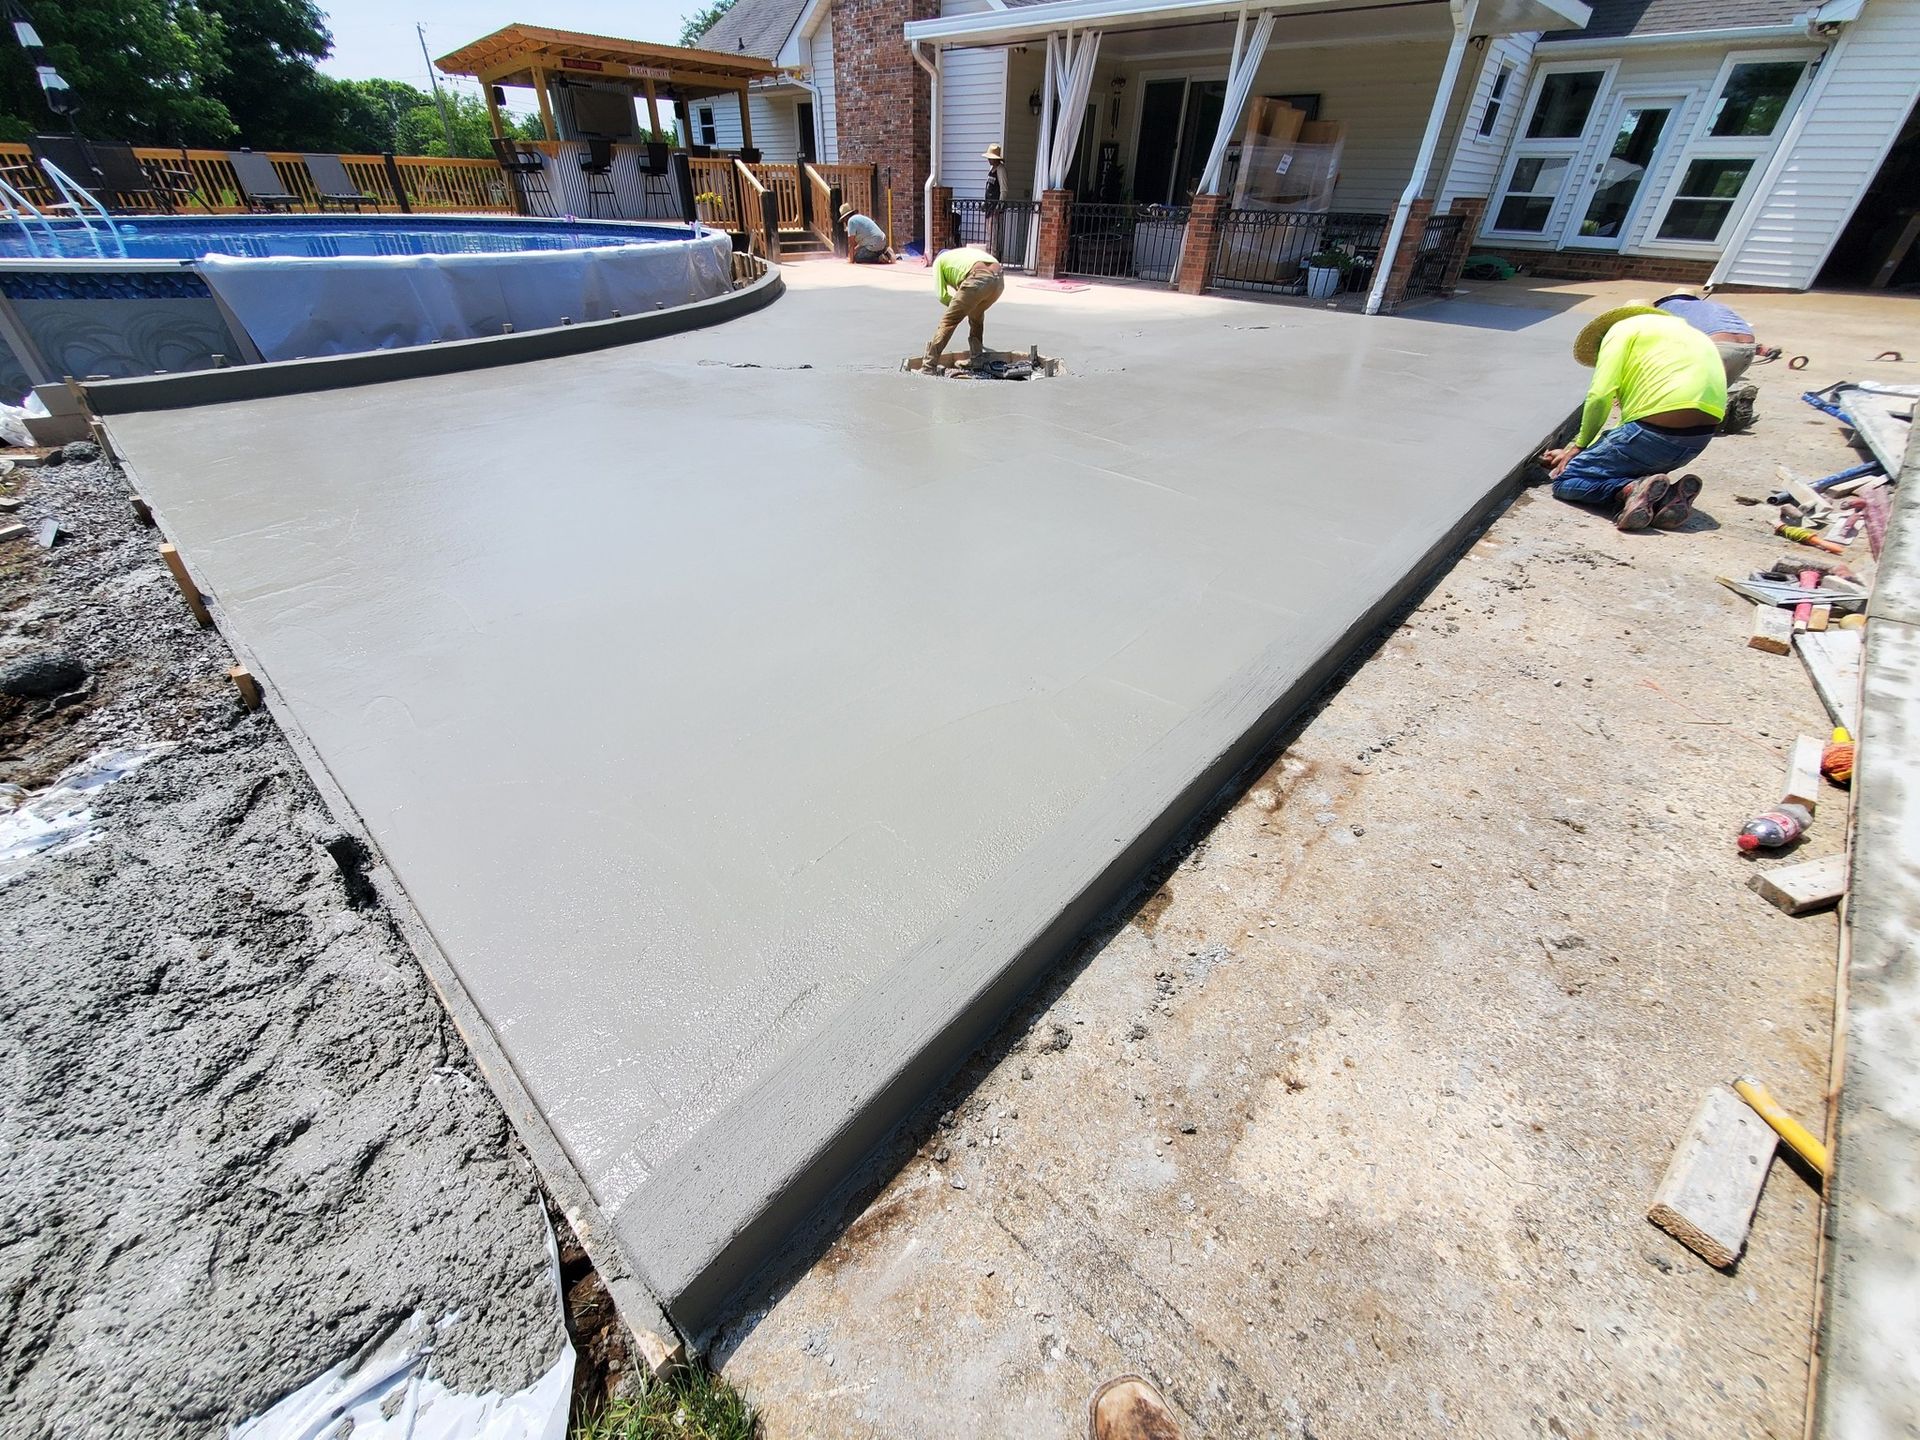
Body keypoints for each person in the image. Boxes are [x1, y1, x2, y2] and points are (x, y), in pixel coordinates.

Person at [1540, 304, 1727, 532]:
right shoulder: (1692, 334)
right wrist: (1591, 453)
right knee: (1624, 461)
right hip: (1698, 440)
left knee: (1566, 480)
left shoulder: (1619, 330)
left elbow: (1599, 396)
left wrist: (1578, 447)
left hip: (1653, 431)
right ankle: (1666, 497)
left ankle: (1629, 488)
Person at [924, 244, 1004, 369]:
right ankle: (977, 360)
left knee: (948, 321)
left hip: (978, 278)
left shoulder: (939, 261)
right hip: (999, 280)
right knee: (976, 318)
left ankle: (928, 366)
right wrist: (966, 306)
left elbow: (942, 295)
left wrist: (958, 308)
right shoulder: (961, 255)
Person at [1653, 289, 1759, 381]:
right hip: (1748, 348)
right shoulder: (1712, 306)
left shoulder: (1665, 308)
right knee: (1717, 391)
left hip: (1718, 347)